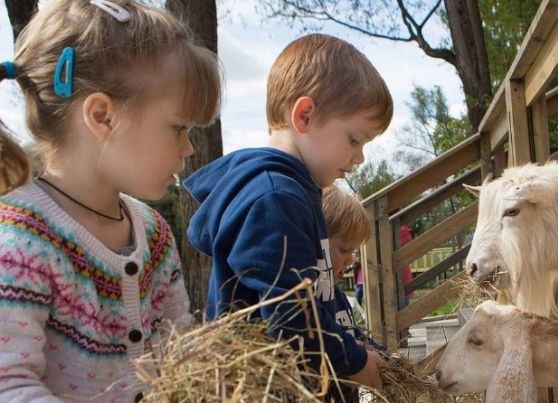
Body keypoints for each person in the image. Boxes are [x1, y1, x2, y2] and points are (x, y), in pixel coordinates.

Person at [0, 1, 221, 401]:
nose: (188, 147)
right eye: (178, 127)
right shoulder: (19, 241)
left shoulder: (152, 234)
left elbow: (178, 348)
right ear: (103, 117)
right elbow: (10, 385)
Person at [184, 33, 393, 393]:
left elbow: (314, 302)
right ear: (305, 115)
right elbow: (292, 321)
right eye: (355, 140)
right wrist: (356, 363)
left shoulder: (296, 192)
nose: (359, 158)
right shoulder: (276, 199)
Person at [322, 185, 383, 402]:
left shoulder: (336, 295)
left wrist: (381, 354)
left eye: (353, 252)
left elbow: (351, 332)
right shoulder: (312, 301)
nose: (350, 261)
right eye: (344, 250)